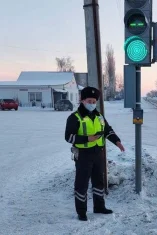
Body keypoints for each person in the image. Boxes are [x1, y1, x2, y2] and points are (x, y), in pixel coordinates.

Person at [64, 86, 125, 221]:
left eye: (93, 101)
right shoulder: (74, 117)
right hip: (83, 155)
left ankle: (99, 207)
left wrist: (117, 141)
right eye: (89, 101)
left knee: (99, 181)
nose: (91, 104)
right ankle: (81, 212)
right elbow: (68, 137)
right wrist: (87, 138)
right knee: (82, 183)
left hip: (98, 153)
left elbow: (107, 130)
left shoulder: (99, 116)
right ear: (82, 100)